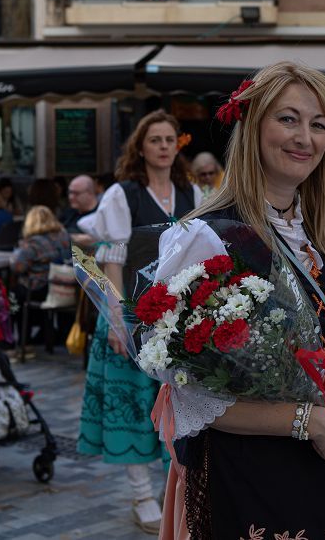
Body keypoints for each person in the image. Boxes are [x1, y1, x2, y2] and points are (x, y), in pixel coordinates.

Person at [152, 61, 325, 539]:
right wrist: (306, 421)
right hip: (256, 469)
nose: (305, 137)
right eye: (288, 119)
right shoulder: (204, 238)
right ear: (253, 126)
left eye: (319, 125)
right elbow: (189, 392)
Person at [76, 110, 203, 534]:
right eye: (155, 140)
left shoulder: (191, 191)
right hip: (130, 311)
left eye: (170, 139)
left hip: (176, 317)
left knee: (178, 403)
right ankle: (141, 495)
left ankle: (177, 491)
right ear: (141, 147)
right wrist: (118, 320)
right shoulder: (122, 194)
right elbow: (111, 261)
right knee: (130, 402)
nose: (164, 146)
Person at [11, 205, 72, 342]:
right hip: (62, 285)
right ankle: (43, 332)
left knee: (12, 297)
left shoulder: (33, 243)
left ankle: (22, 340)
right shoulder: (64, 236)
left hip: (39, 287)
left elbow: (18, 267)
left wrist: (15, 254)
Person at [61, 174, 99, 247]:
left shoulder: (102, 214)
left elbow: (120, 245)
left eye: (76, 193)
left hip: (90, 256)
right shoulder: (68, 213)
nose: (71, 197)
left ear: (90, 193)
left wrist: (96, 241)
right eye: (70, 193)